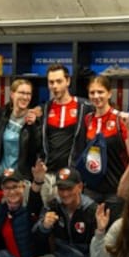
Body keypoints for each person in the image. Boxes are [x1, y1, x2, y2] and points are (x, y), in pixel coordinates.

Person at [27, 167, 98, 257]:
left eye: (69, 188)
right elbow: (35, 237)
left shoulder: (93, 210)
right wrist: (44, 226)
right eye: (61, 188)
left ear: (80, 187)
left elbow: (98, 253)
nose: (64, 193)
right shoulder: (52, 205)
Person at [79, 75, 129, 212]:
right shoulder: (87, 119)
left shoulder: (121, 118)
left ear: (109, 93)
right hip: (91, 189)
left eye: (100, 92)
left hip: (116, 188)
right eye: (92, 92)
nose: (96, 96)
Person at [39, 64, 93, 203]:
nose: (54, 86)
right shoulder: (44, 109)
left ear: (67, 81)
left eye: (59, 81)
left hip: (71, 177)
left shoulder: (85, 108)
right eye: (51, 82)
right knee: (48, 217)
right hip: (48, 176)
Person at [0, 79, 41, 183]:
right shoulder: (3, 115)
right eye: (21, 93)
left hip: (21, 178)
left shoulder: (35, 120)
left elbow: (37, 149)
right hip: (1, 174)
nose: (25, 97)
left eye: (28, 94)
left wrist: (33, 126)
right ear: (12, 94)